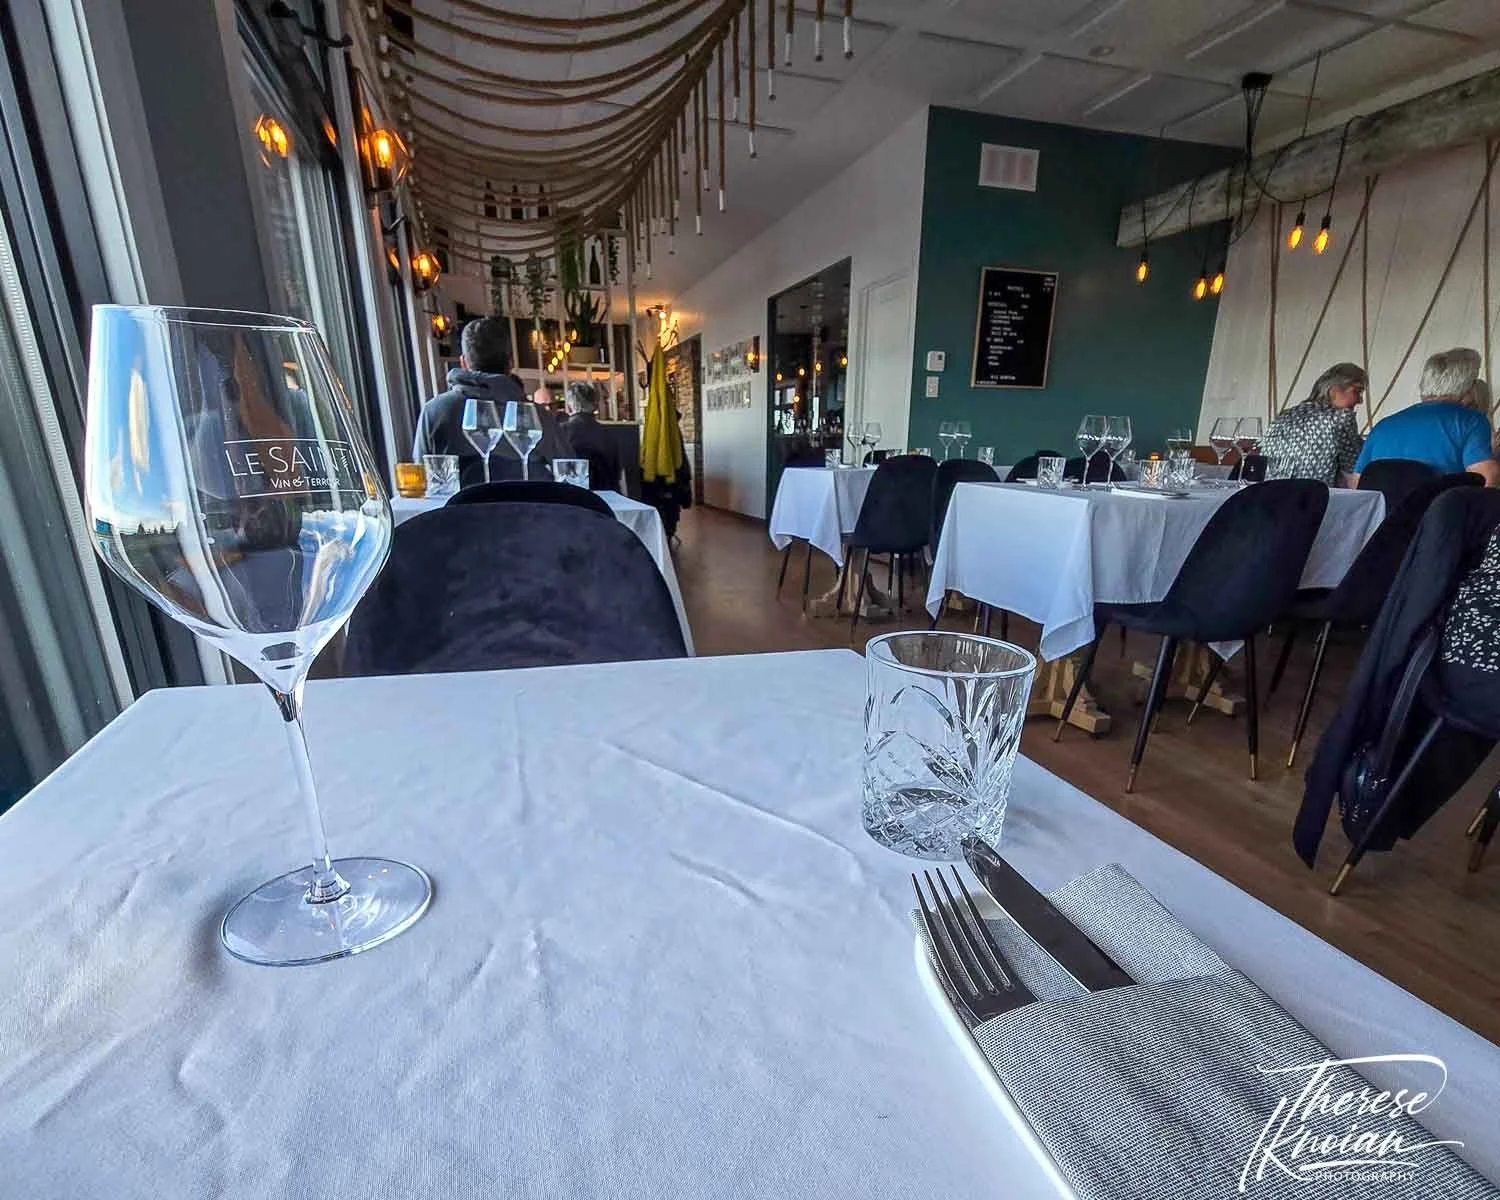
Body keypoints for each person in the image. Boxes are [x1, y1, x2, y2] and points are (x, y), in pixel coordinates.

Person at [411, 318, 572, 485]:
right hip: (529, 510)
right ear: (510, 362)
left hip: (460, 511)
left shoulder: (435, 412)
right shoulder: (538, 417)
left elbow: (421, 484)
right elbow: (570, 475)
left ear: (463, 362)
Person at [1352, 348, 1500, 486]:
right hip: (1443, 512)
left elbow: (1357, 483)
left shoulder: (1382, 426)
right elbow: (1486, 479)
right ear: (1468, 387)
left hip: (1388, 513)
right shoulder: (1471, 421)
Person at [1258, 362, 1366, 486]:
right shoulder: (1340, 418)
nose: (1360, 400)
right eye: (1357, 392)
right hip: (1313, 499)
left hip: (1271, 496)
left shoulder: (1285, 415)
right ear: (1334, 391)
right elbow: (1354, 474)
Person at [562, 380, 623, 491]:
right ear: (595, 406)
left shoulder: (560, 432)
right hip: (606, 500)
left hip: (571, 499)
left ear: (569, 407)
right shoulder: (609, 435)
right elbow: (617, 476)